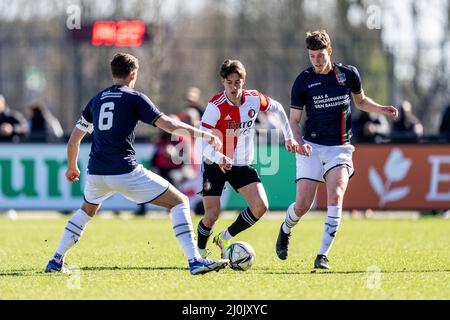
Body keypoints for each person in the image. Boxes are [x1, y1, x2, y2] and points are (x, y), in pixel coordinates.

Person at [44, 53, 229, 275]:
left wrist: (72, 167)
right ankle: (195, 260)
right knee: (179, 202)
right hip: (125, 171)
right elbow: (169, 125)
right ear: (133, 74)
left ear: (113, 73)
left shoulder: (97, 99)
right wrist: (204, 134)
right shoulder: (134, 97)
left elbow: (74, 140)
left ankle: (56, 260)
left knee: (85, 211)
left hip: (96, 173)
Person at [275, 30, 398, 269]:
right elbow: (293, 120)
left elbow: (361, 102)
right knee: (302, 205)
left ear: (329, 51)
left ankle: (322, 255)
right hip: (311, 146)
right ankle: (285, 228)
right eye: (312, 56)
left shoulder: (348, 74)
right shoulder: (303, 81)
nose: (317, 61)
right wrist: (298, 141)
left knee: (336, 195)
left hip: (340, 147)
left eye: (320, 55)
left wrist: (382, 109)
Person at [195, 59, 298, 259]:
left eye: (237, 82)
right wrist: (218, 157)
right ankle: (199, 252)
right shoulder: (215, 106)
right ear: (223, 82)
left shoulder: (253, 99)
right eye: (229, 82)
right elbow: (200, 142)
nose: (234, 87)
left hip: (241, 164)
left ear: (244, 80)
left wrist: (289, 136)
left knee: (260, 207)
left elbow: (277, 108)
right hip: (215, 163)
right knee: (211, 215)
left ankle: (224, 237)